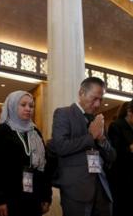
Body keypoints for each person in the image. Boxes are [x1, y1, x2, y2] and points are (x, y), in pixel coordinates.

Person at [49, 77, 116, 216]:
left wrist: (101, 139)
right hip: (76, 189)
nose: (97, 104)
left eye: (101, 99)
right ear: (81, 93)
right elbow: (61, 146)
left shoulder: (98, 120)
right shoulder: (63, 113)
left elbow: (112, 156)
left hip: (102, 189)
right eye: (94, 98)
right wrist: (91, 137)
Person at [0, 90, 52, 216]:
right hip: (8, 199)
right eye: (23, 105)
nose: (28, 109)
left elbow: (44, 168)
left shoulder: (35, 133)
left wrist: (46, 196)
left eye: (31, 106)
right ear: (12, 106)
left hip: (32, 199)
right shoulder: (2, 131)